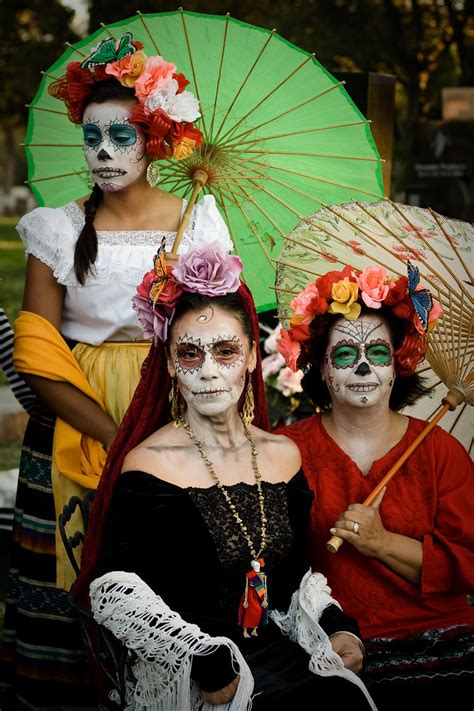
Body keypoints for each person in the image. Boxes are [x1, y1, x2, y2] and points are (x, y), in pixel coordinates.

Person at [0, 35, 231, 710]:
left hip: (175, 411)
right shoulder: (55, 228)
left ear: (154, 139)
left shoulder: (197, 221)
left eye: (121, 134)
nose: (103, 150)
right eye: (92, 135)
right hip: (79, 415)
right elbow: (37, 351)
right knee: (73, 569)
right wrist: (115, 436)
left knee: (169, 577)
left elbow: (220, 331)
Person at [73, 244, 376, 710]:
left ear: (254, 357)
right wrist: (198, 657)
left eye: (226, 350)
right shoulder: (151, 466)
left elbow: (294, 576)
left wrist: (337, 626)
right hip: (190, 667)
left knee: (338, 698)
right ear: (171, 365)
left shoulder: (282, 456)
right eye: (191, 354)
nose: (209, 371)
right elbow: (116, 590)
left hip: (274, 650)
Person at [276, 263, 474, 709]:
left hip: (442, 642)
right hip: (331, 640)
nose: (364, 366)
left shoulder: (439, 451)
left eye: (379, 354)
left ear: (398, 366)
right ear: (321, 370)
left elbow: (469, 564)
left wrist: (382, 543)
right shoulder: (283, 452)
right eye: (345, 354)